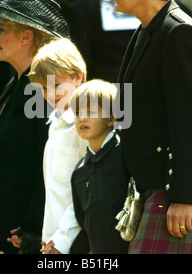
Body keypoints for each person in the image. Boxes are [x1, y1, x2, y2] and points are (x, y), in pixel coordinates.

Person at [108, 0, 192, 254]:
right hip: (158, 185)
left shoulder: (178, 32)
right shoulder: (149, 30)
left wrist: (183, 197)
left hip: (179, 187)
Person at [0, 0, 70, 254]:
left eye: (3, 29)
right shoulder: (14, 84)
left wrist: (33, 229)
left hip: (29, 242)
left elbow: (52, 163)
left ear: (27, 37)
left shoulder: (44, 89)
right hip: (1, 239)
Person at [20, 38, 88, 254]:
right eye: (42, 88)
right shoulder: (56, 123)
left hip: (76, 242)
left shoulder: (87, 124)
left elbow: (87, 189)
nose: (50, 95)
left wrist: (62, 239)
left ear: (77, 77)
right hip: (53, 242)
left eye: (57, 85)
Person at [69, 79, 130, 253]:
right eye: (78, 113)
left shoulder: (127, 156)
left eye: (91, 111)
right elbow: (85, 225)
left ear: (112, 118)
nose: (83, 118)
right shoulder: (79, 172)